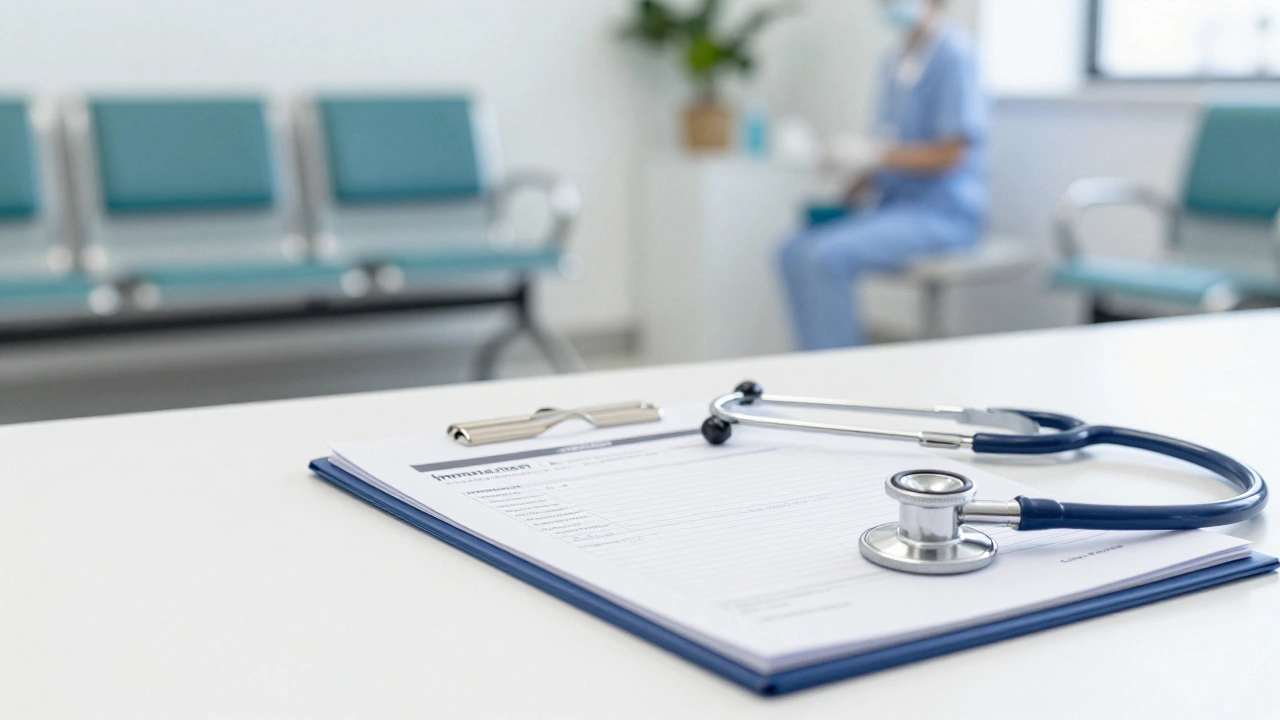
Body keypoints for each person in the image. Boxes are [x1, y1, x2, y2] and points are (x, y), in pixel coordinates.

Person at [778, 0, 988, 350]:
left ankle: (837, 376)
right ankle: (810, 360)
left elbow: (952, 151)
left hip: (942, 212)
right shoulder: (895, 61)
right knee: (790, 249)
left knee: (824, 258)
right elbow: (890, 145)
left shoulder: (954, 55)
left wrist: (874, 154)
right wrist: (854, 179)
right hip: (894, 206)